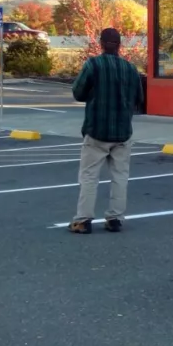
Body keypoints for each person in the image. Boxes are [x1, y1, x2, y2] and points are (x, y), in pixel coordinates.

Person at [68, 28, 144, 234]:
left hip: (97, 130)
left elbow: (78, 92)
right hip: (122, 131)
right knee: (120, 176)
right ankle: (115, 218)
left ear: (101, 43)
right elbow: (139, 98)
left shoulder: (93, 64)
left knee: (89, 177)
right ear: (120, 45)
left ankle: (83, 220)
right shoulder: (130, 68)